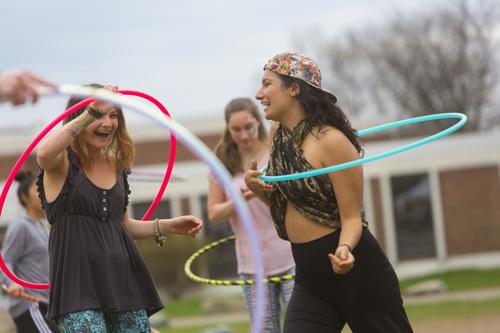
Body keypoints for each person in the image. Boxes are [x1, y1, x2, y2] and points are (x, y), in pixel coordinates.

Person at [245, 51, 414, 333]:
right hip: (310, 278)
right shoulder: (277, 135)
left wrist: (345, 249)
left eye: (267, 84)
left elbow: (352, 218)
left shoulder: (332, 142)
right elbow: (285, 205)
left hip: (356, 272)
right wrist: (257, 189)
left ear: (294, 88)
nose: (258, 94)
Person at [35, 84, 203, 332]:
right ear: (79, 117)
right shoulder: (61, 164)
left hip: (123, 283)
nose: (108, 123)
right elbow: (43, 154)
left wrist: (167, 226)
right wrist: (89, 112)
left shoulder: (117, 165)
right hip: (77, 289)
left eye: (114, 115)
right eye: (99, 114)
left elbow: (120, 226)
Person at [207, 98, 295, 333]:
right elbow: (214, 214)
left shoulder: (276, 151)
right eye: (236, 129)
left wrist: (261, 191)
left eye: (248, 127)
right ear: (228, 129)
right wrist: (236, 201)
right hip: (252, 264)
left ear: (259, 121)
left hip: (289, 255)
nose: (244, 135)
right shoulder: (223, 163)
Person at [1, 170, 60, 332]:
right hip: (30, 304)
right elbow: (5, 262)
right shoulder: (21, 226)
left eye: (43, 188)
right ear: (24, 197)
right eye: (36, 189)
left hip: (46, 304)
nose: (42, 193)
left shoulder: (44, 226)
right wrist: (12, 283)